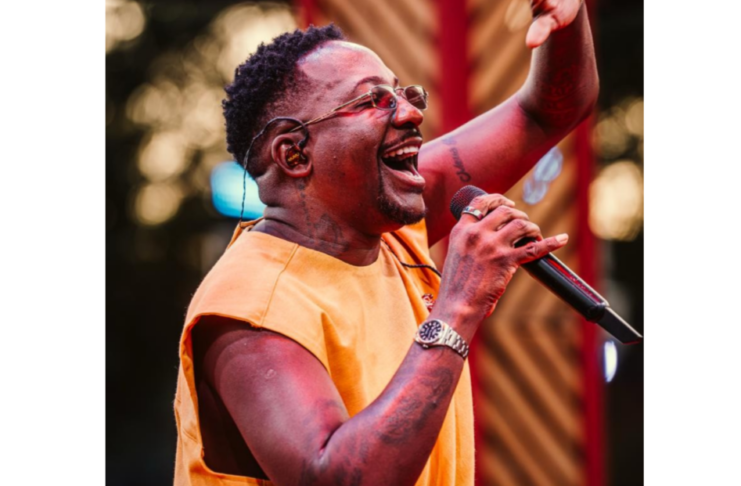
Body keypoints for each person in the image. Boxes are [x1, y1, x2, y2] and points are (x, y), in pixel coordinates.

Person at [173, 1, 598, 484]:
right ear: (294, 154)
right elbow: (336, 478)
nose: (412, 112)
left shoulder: (385, 230)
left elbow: (546, 112)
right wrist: (457, 306)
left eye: (404, 94)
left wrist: (569, 20)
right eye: (372, 100)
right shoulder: (250, 304)